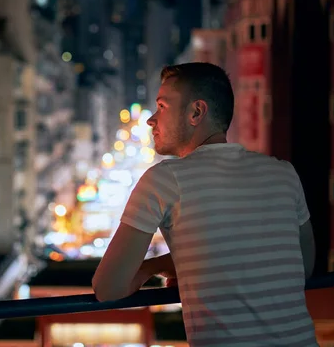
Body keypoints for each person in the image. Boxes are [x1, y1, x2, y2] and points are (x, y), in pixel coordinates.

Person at [92, 63, 318, 346]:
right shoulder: (284, 173)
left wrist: (152, 267)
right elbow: (304, 266)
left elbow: (108, 287)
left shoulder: (165, 179)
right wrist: (190, 262)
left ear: (196, 112)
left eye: (162, 107)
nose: (151, 120)